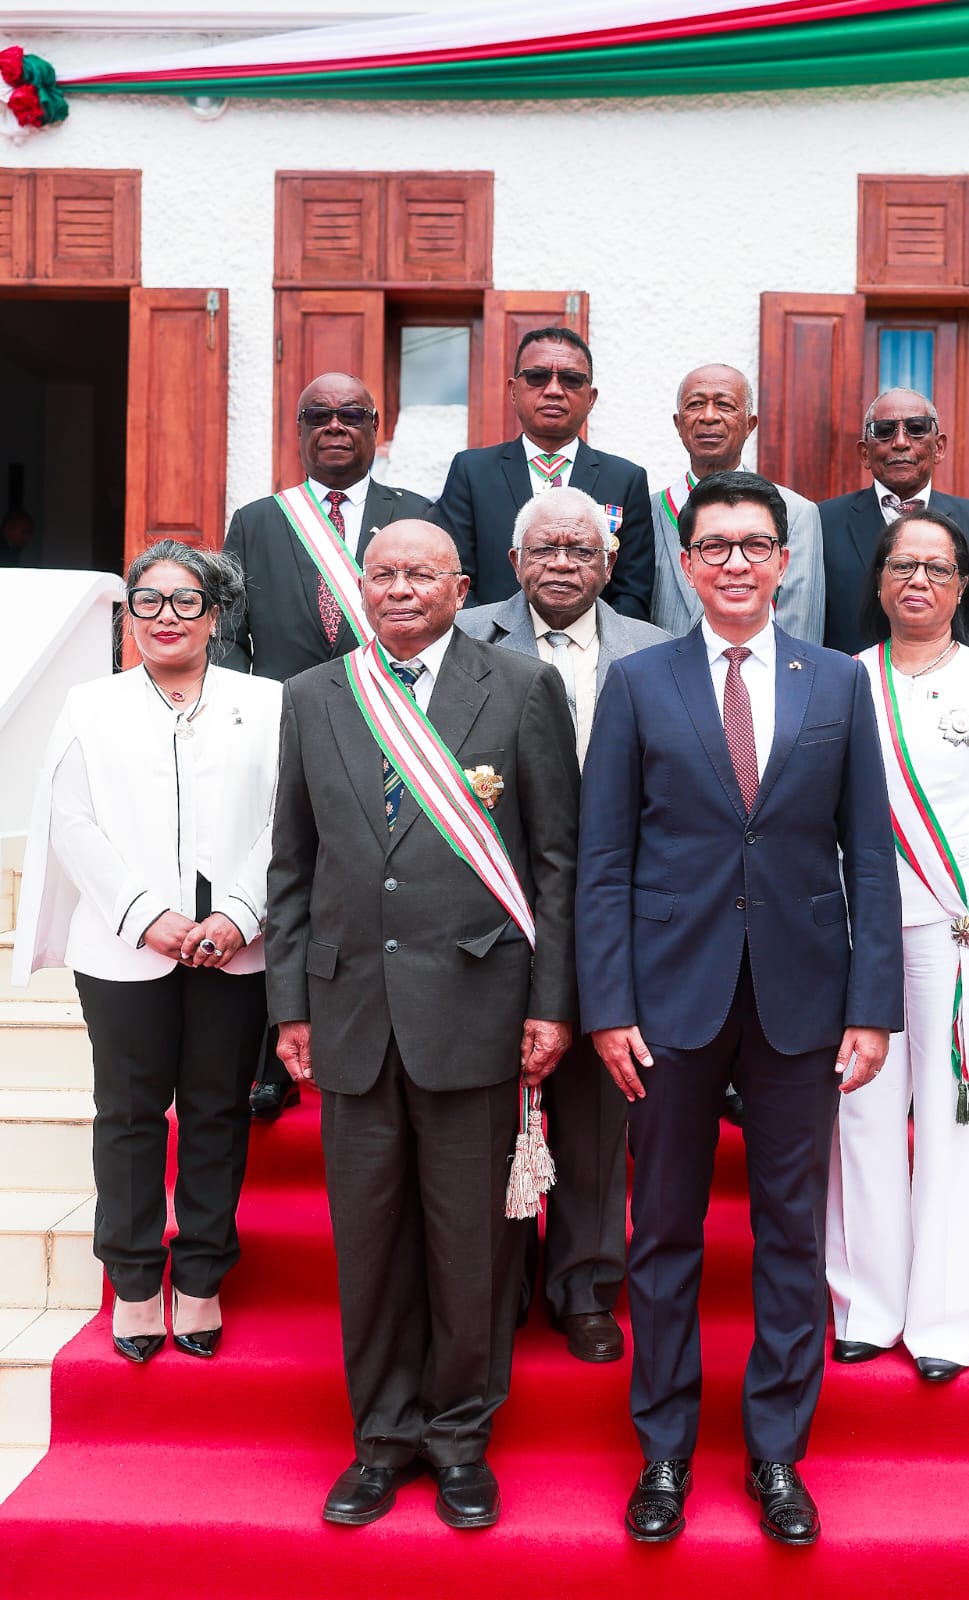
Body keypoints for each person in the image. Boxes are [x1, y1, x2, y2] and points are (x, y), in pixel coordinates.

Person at [577, 471, 903, 1547]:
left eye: (751, 544)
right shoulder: (640, 682)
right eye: (711, 545)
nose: (731, 561)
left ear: (783, 561)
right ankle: (665, 1450)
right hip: (668, 994)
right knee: (663, 1229)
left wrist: (873, 1007)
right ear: (683, 564)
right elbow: (607, 857)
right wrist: (608, 1002)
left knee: (788, 1232)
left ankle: (775, 1453)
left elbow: (869, 851)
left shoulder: (839, 685)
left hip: (802, 997)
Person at [266, 520, 580, 1530]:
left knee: (467, 1245)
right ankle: (381, 1439)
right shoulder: (314, 696)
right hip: (351, 1009)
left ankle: (458, 1440)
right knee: (369, 1244)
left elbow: (554, 866)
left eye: (421, 574)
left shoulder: (522, 686)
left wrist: (551, 1000)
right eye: (384, 573)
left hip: (479, 1010)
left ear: (461, 584)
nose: (401, 589)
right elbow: (292, 864)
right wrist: (289, 1004)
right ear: (360, 585)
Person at [12, 541, 282, 1363]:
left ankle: (200, 1273)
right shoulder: (90, 705)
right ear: (128, 614)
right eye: (149, 601)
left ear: (217, 614)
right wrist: (142, 916)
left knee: (214, 1110)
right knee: (128, 1114)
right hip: (124, 947)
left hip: (234, 947)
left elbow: (286, 821)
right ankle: (133, 1279)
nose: (166, 617)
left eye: (186, 601)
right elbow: (70, 821)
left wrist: (239, 913)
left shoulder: (267, 702)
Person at [825, 509, 969, 1382]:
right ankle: (867, 1306)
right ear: (877, 583)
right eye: (902, 566)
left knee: (958, 1129)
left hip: (958, 941)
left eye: (937, 568)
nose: (918, 580)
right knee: (862, 1119)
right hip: (855, 935)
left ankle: (945, 1322)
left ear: (961, 585)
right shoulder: (841, 679)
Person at [455, 487, 668, 1362]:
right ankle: (497, 1276)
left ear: (610, 565)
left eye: (581, 550)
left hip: (614, 910)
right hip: (488, 908)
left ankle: (583, 1282)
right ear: (514, 562)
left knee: (593, 1108)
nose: (562, 564)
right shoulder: (461, 636)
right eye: (544, 549)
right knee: (483, 1104)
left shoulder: (655, 650)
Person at [221, 369, 433, 1119]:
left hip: (395, 728)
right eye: (318, 414)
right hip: (289, 727)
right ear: (298, 428)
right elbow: (229, 641)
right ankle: (275, 1053)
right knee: (292, 884)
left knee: (376, 885)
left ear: (377, 427)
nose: (335, 425)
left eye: (352, 414)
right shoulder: (257, 519)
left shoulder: (417, 513)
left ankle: (386, 1035)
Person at [432, 326, 653, 619]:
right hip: (489, 652)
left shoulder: (626, 479)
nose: (553, 390)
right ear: (513, 390)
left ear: (591, 398)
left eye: (571, 380)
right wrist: (490, 646)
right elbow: (454, 577)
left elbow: (633, 593)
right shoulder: (472, 472)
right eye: (537, 377)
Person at [819, 388, 969, 663]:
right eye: (884, 430)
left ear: (939, 447)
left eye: (916, 429)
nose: (900, 442)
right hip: (848, 694)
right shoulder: (822, 522)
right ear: (864, 453)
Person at [651, 363, 825, 643]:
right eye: (695, 404)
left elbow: (801, 631)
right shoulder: (650, 510)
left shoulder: (797, 512)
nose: (709, 416)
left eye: (724, 404)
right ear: (678, 423)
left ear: (749, 425)